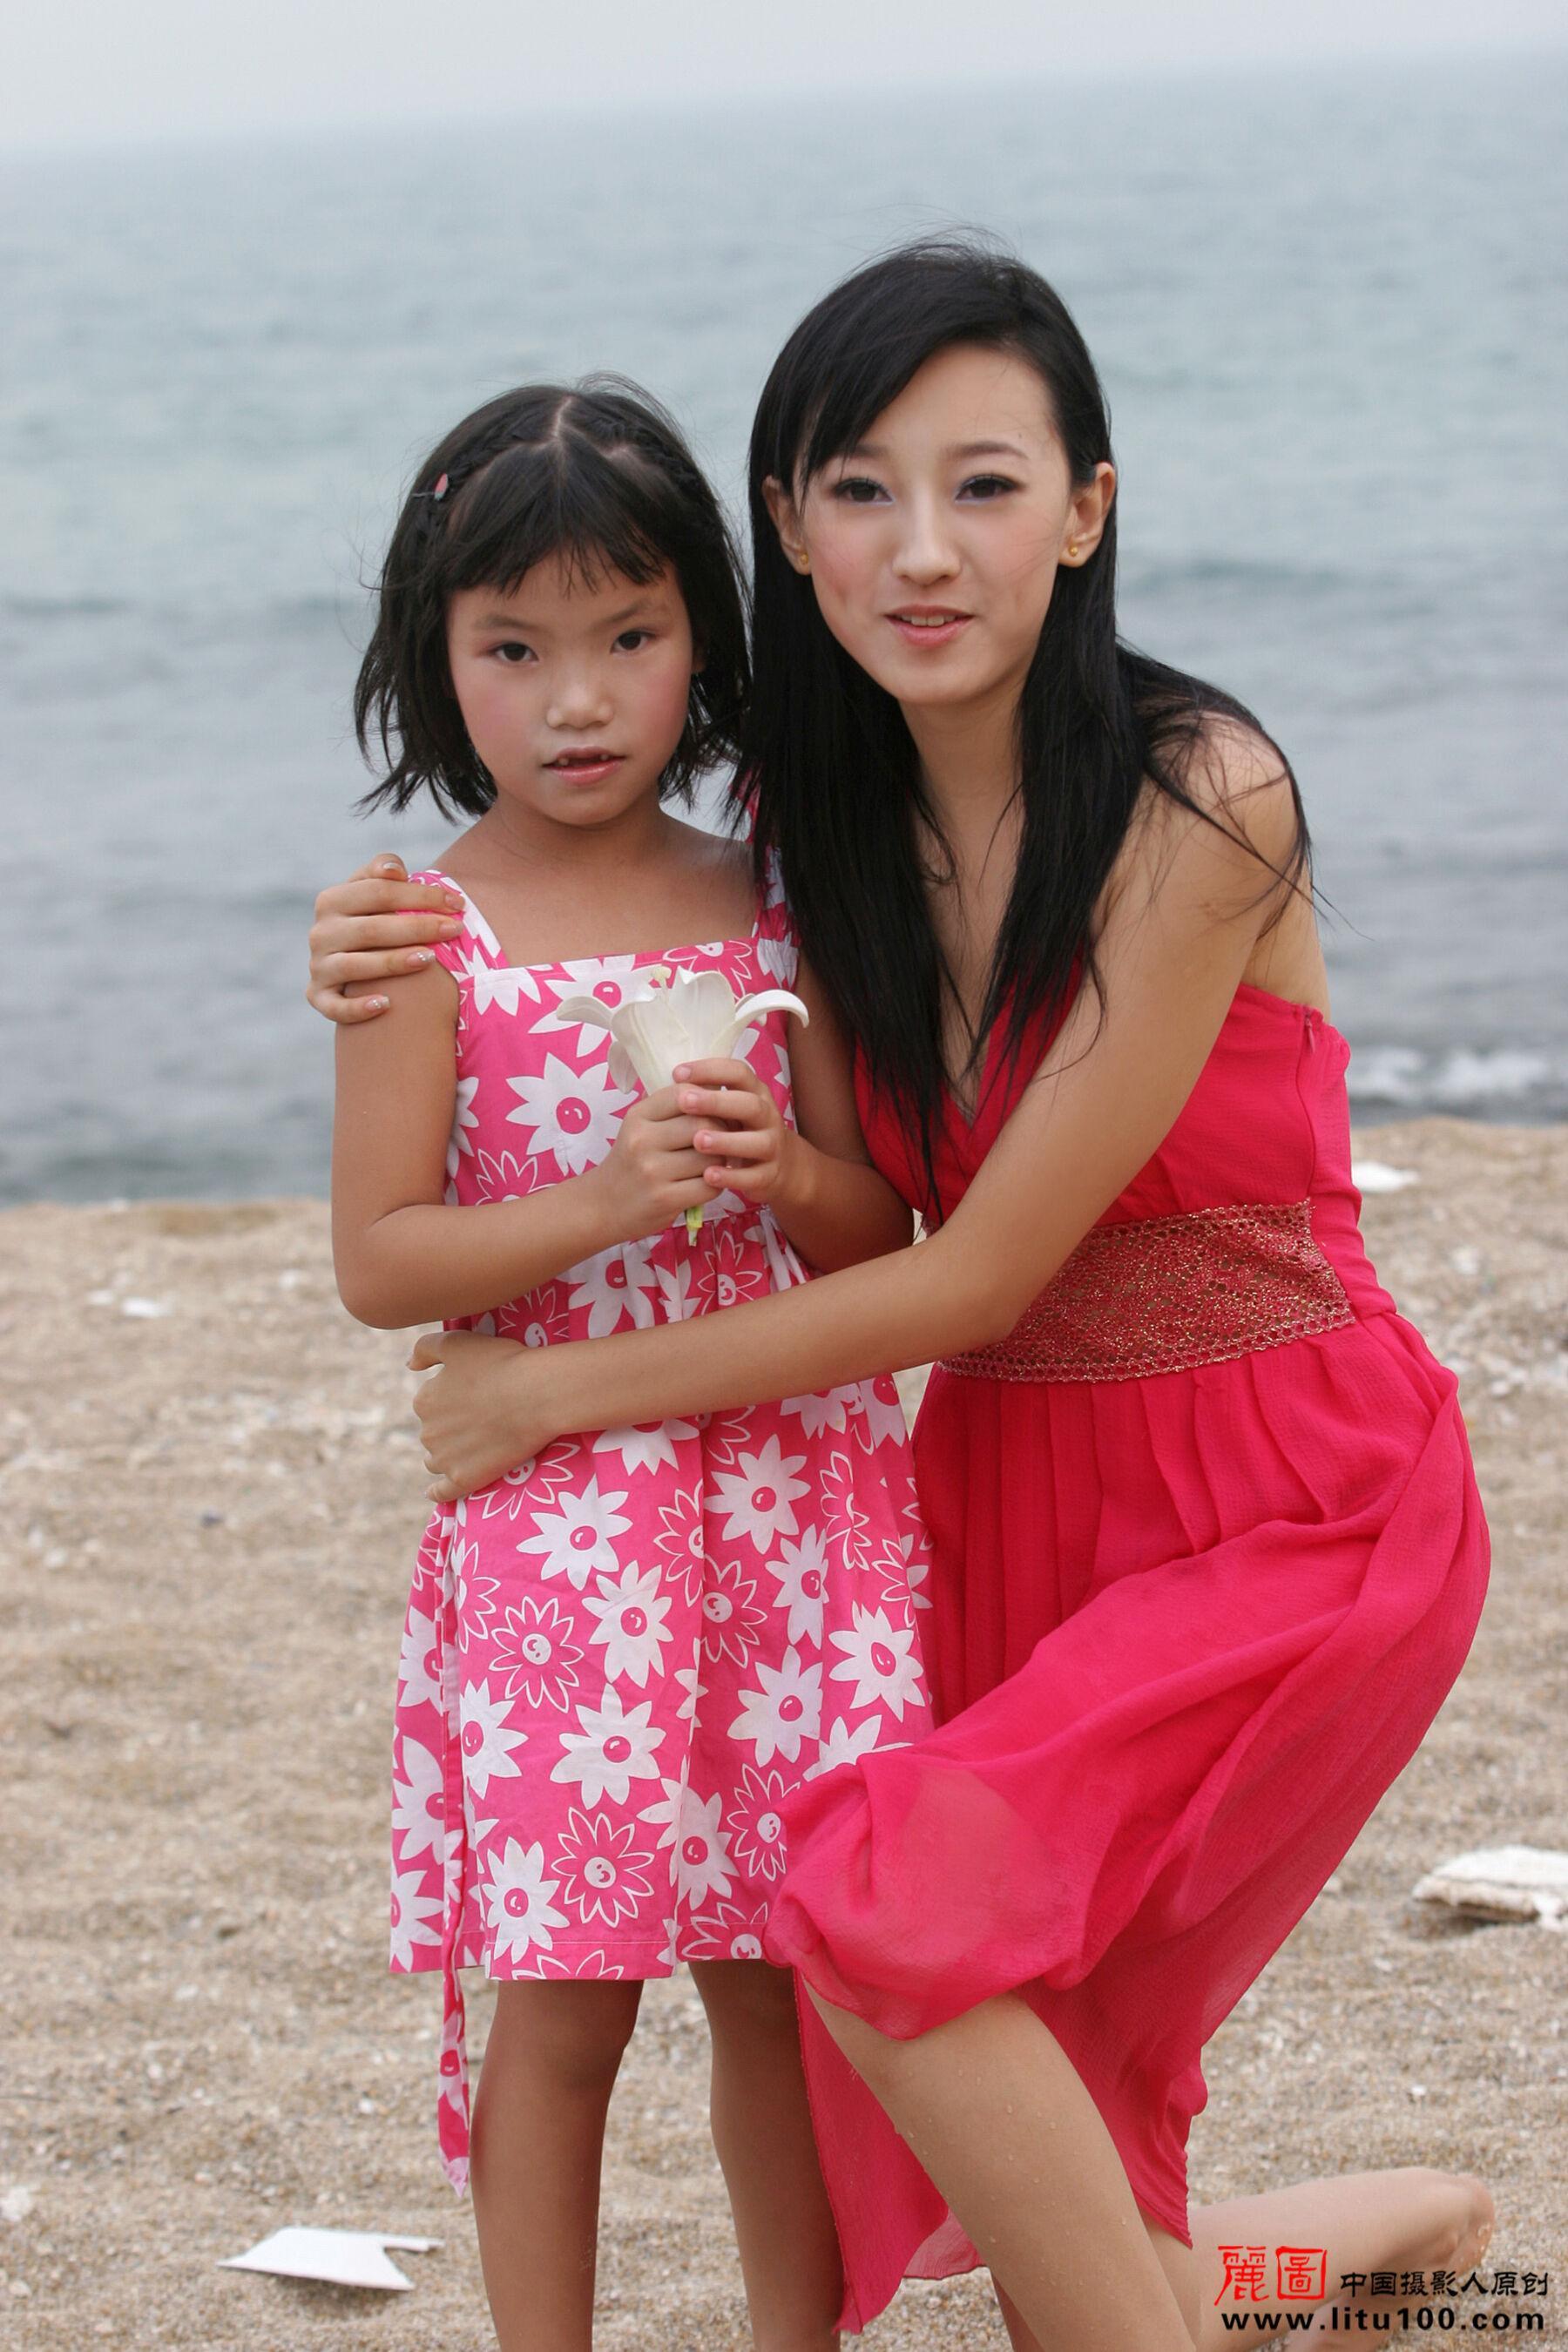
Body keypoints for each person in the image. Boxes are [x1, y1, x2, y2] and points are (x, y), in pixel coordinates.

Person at [309, 247, 1493, 2351]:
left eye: (986, 486)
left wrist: (557, 1395)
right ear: (788, 525)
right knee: (1060, 2181)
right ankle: (1397, 2241)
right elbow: (566, 978)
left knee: (868, 1912)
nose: (922, 550)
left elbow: (976, 1269)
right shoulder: (813, 828)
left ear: (1088, 509)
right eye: (862, 489)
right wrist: (366, 945)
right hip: (1008, 1489)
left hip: (1286, 1484)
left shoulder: (1195, 798)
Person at [328, 375, 933, 2352]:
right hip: (561, 1526)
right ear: (436, 658)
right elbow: (381, 1259)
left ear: (705, 638)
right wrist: (605, 1200)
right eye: (513, 649)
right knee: (568, 1997)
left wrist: (787, 1169)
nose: (576, 699)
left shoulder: (778, 895)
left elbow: (877, 1237)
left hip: (789, 1505)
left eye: (630, 636)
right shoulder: (421, 937)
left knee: (781, 1983)